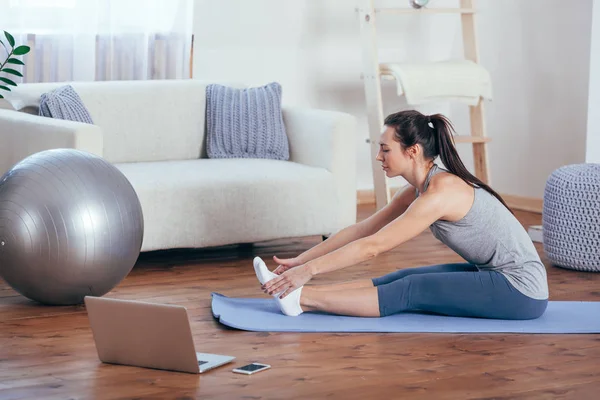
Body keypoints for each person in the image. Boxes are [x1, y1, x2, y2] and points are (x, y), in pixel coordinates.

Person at [253, 110, 549, 319]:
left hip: (520, 291)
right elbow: (363, 230)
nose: (379, 157)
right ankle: (299, 293)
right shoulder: (417, 189)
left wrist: (309, 270)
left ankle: (300, 299)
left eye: (385, 149)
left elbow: (373, 247)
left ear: (413, 151)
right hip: (497, 276)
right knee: (404, 275)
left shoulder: (440, 193)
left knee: (413, 288)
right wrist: (301, 262)